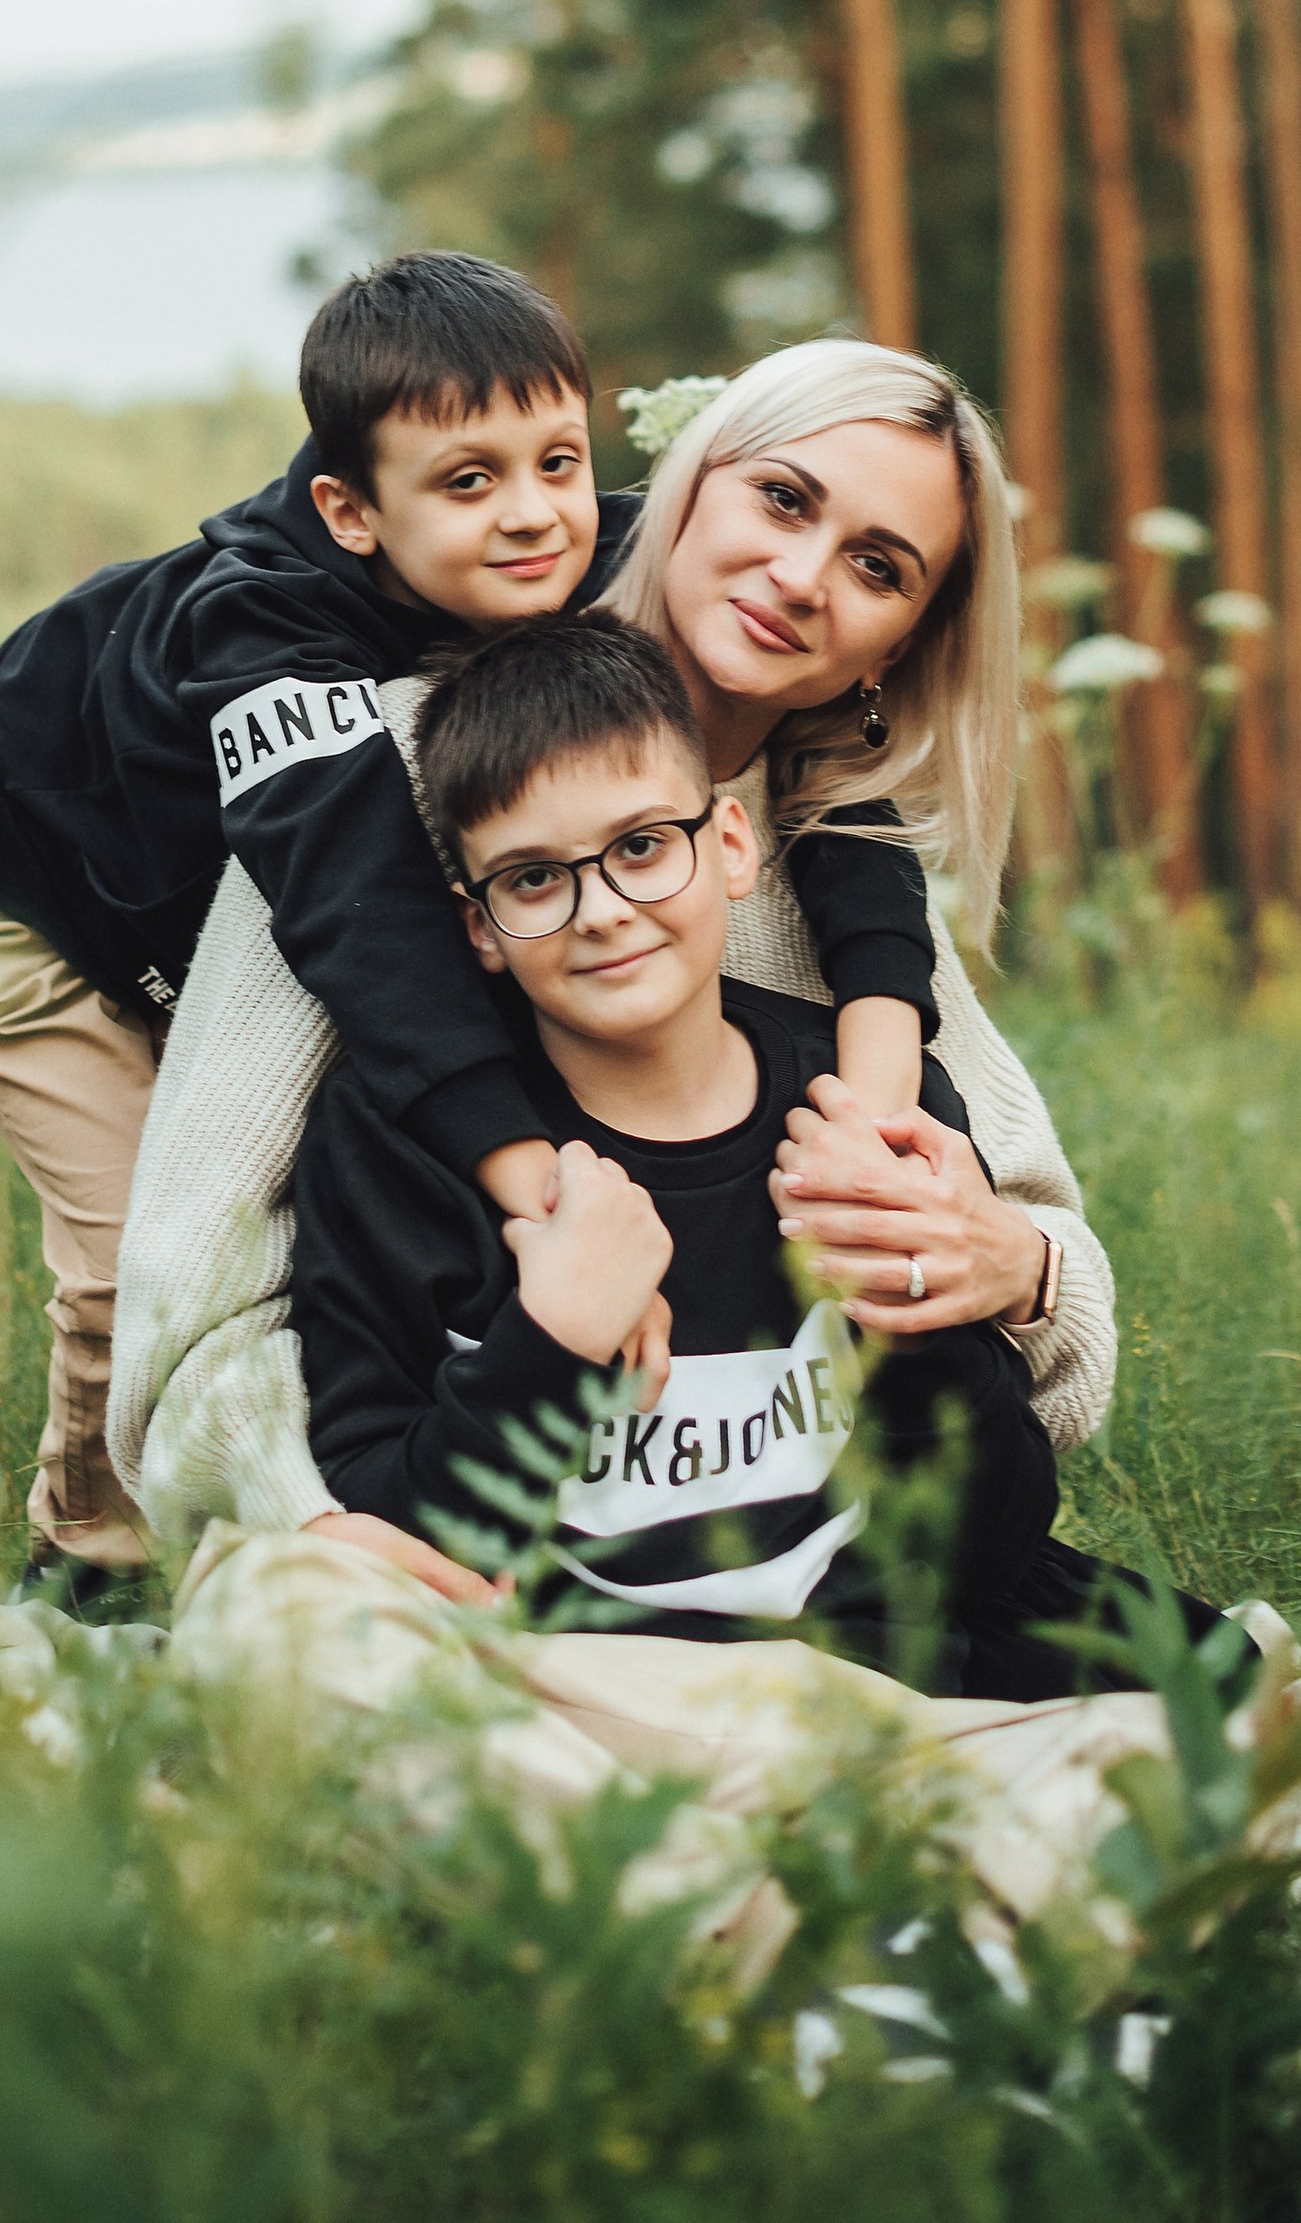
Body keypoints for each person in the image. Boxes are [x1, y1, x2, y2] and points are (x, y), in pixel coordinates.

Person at [0, 263, 941, 1581]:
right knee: (136, 1232)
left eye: (558, 460)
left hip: (181, 858)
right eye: (469, 480)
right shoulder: (259, 626)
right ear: (350, 510)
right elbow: (361, 907)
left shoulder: (582, 540)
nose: (538, 514)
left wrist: (883, 1077)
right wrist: (538, 1190)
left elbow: (835, 759)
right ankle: (93, 1559)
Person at [107, 338, 1118, 1609]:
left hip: (778, 1576)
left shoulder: (840, 858)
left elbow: (1047, 1284)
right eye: (783, 498)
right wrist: (303, 1512)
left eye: (878, 566)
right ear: (688, 484)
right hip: (446, 1551)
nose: (802, 578)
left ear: (899, 645)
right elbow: (190, 1291)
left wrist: (1019, 1269)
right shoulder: (416, 781)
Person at [290, 614, 1228, 1695]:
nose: (601, 911)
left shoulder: (867, 1105)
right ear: (478, 927)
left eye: (642, 846)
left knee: (1220, 1691)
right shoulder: (400, 1142)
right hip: (565, 1687)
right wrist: (547, 1342)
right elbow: (394, 1528)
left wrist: (912, 1330)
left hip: (865, 1666)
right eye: (535, 879)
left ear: (729, 845)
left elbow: (987, 1546)